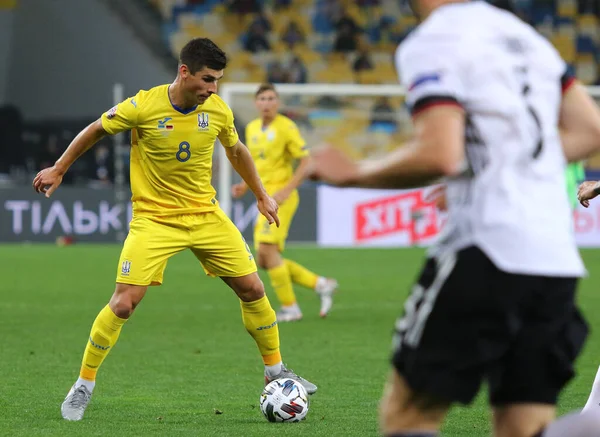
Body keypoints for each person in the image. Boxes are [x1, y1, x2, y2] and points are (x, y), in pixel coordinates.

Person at [309, 1, 600, 436]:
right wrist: (493, 167)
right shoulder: (527, 39)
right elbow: (589, 131)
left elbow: (441, 152)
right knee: (524, 426)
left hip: (487, 249)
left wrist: (355, 174)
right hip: (555, 262)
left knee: (410, 414)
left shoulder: (434, 40)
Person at [32, 38, 317, 422]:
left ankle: (276, 371)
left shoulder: (216, 110)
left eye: (217, 81)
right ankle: (83, 384)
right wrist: (60, 167)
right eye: (207, 79)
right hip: (154, 219)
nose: (212, 88)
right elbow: (97, 129)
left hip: (206, 216)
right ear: (184, 72)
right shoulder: (143, 105)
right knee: (123, 303)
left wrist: (261, 195)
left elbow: (236, 151)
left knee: (252, 287)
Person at [232, 84, 338, 322]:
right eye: (262, 99)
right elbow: (256, 164)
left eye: (271, 98)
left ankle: (291, 308)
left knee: (267, 253)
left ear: (277, 103)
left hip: (281, 199)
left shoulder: (287, 127)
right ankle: (320, 284)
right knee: (263, 259)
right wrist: (244, 184)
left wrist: (286, 190)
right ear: (256, 103)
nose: (267, 103)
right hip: (264, 199)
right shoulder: (251, 128)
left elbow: (306, 162)